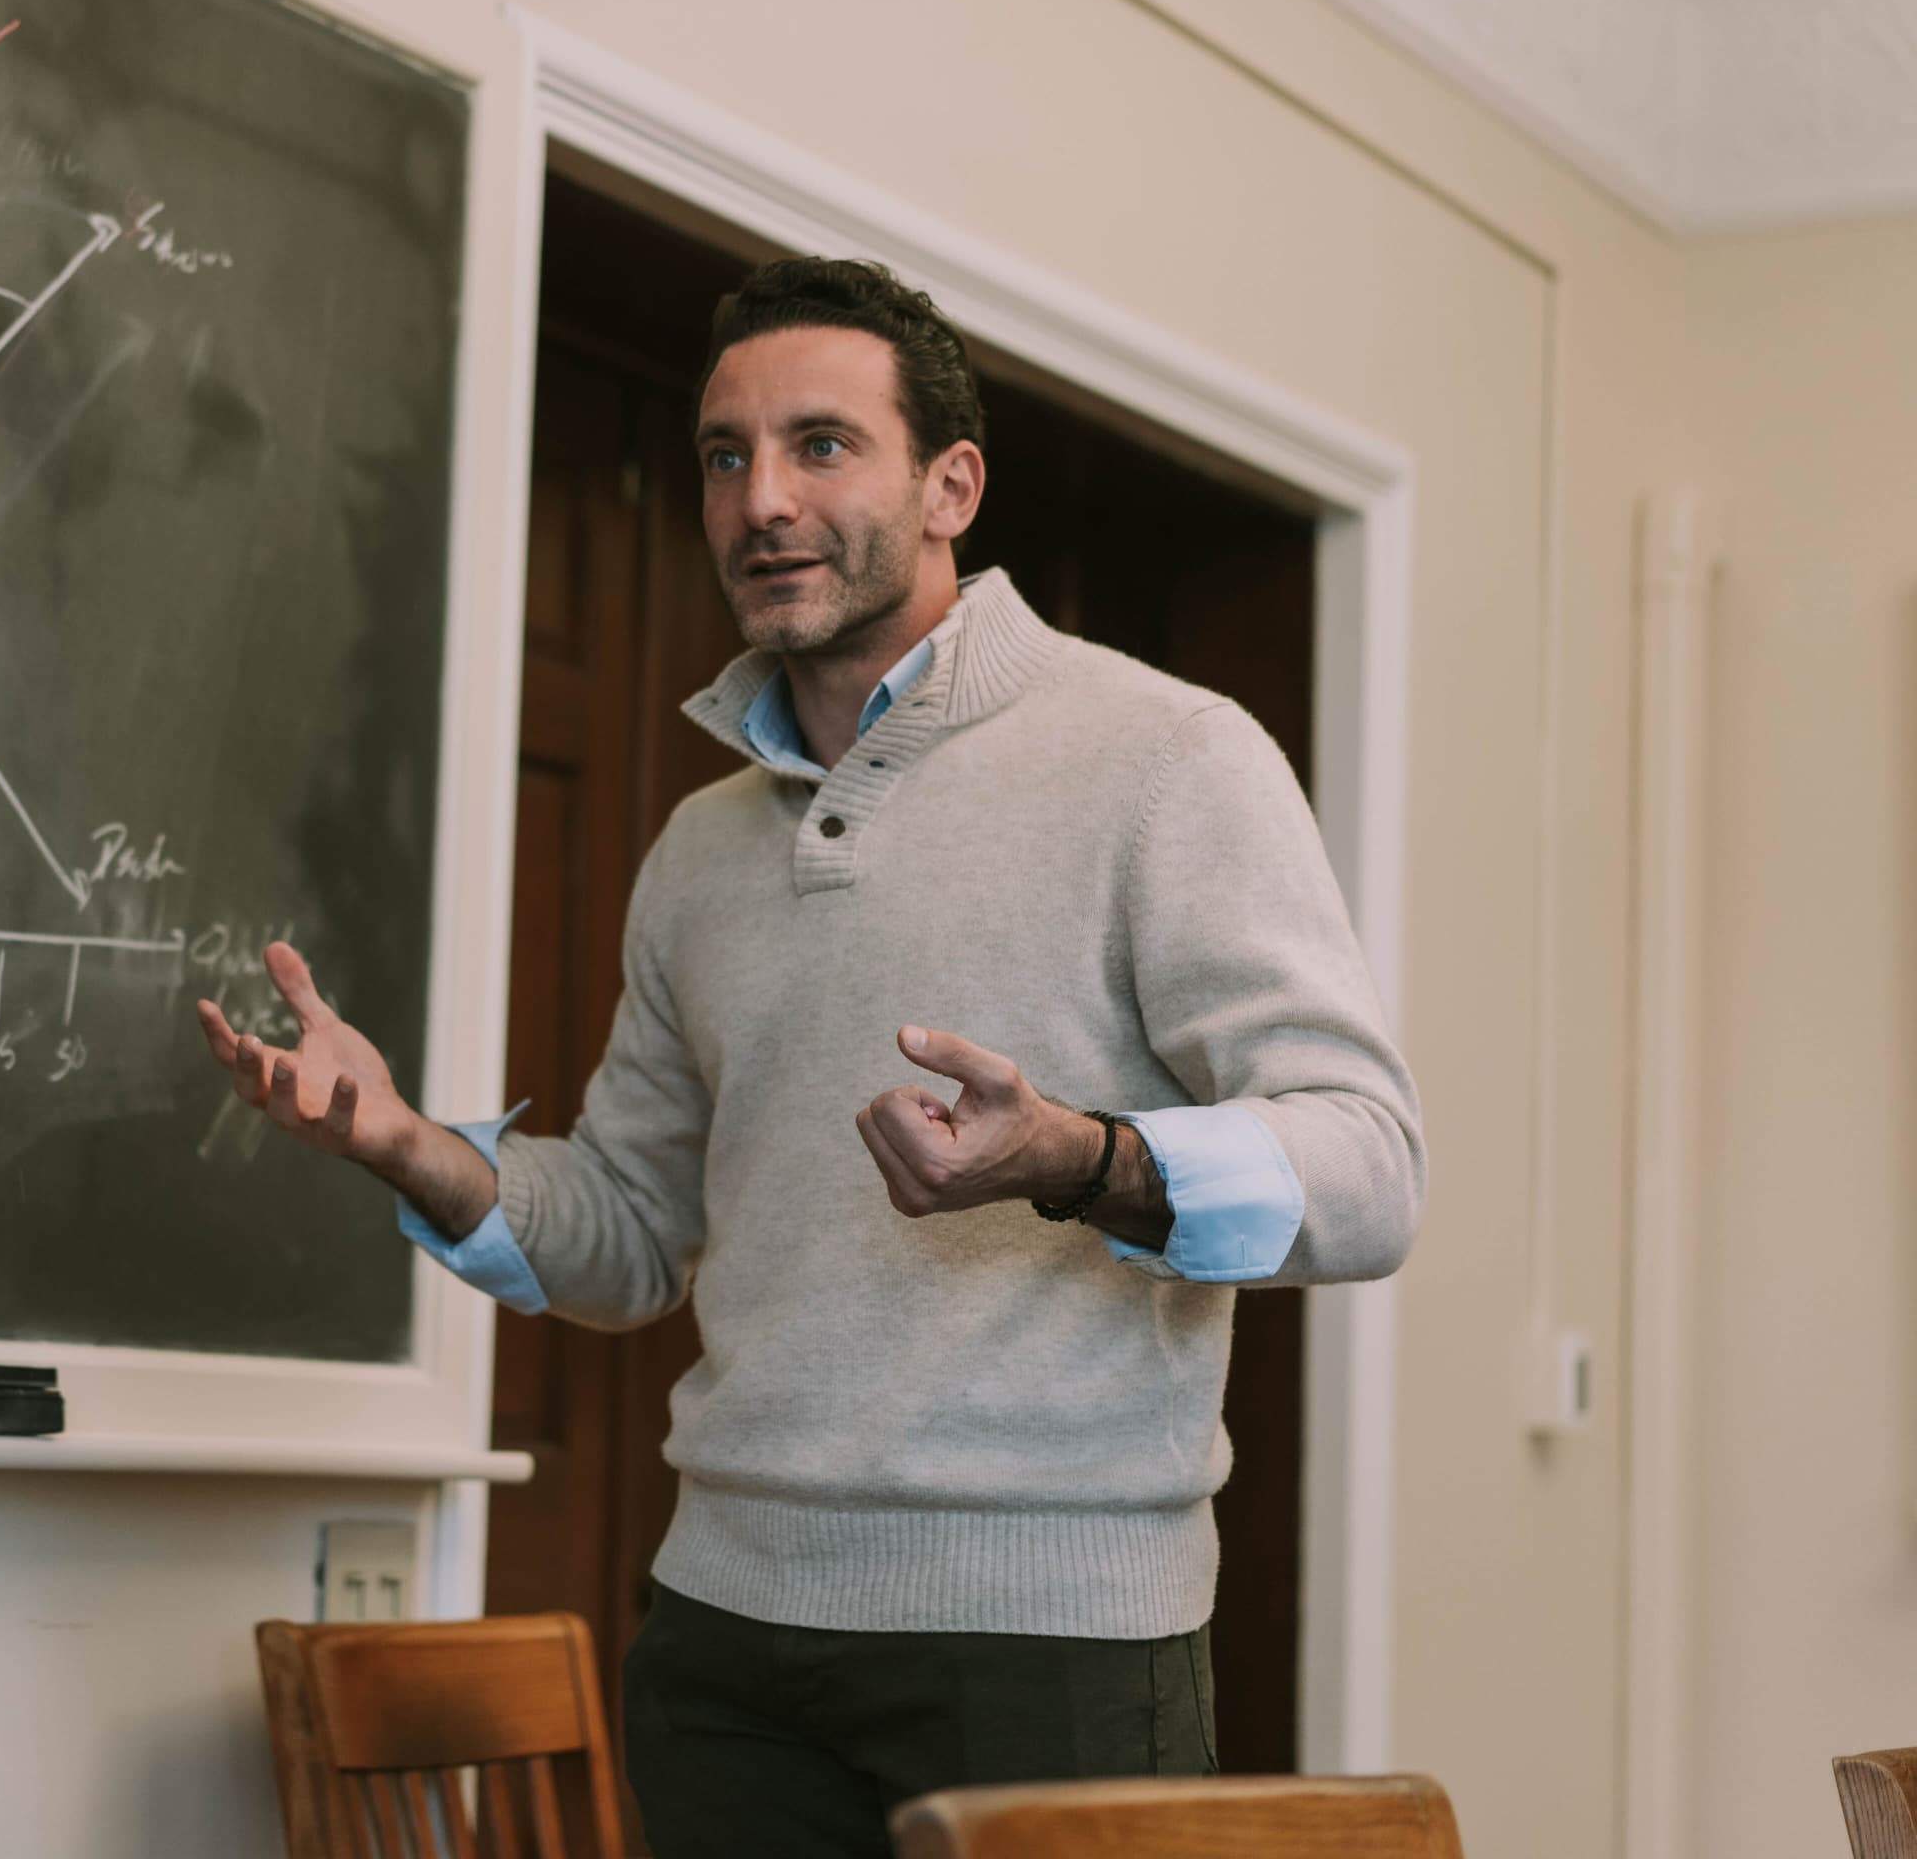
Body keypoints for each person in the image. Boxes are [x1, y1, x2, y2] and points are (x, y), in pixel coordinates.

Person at [197, 256, 1423, 1856]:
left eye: (821, 445)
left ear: (949, 487)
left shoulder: (1167, 758)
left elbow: (1370, 1171)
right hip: (724, 1645)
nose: (762, 500)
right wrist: (407, 1145)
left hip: (1049, 1644)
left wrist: (1080, 1157)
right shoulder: (699, 851)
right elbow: (631, 1236)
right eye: (727, 456)